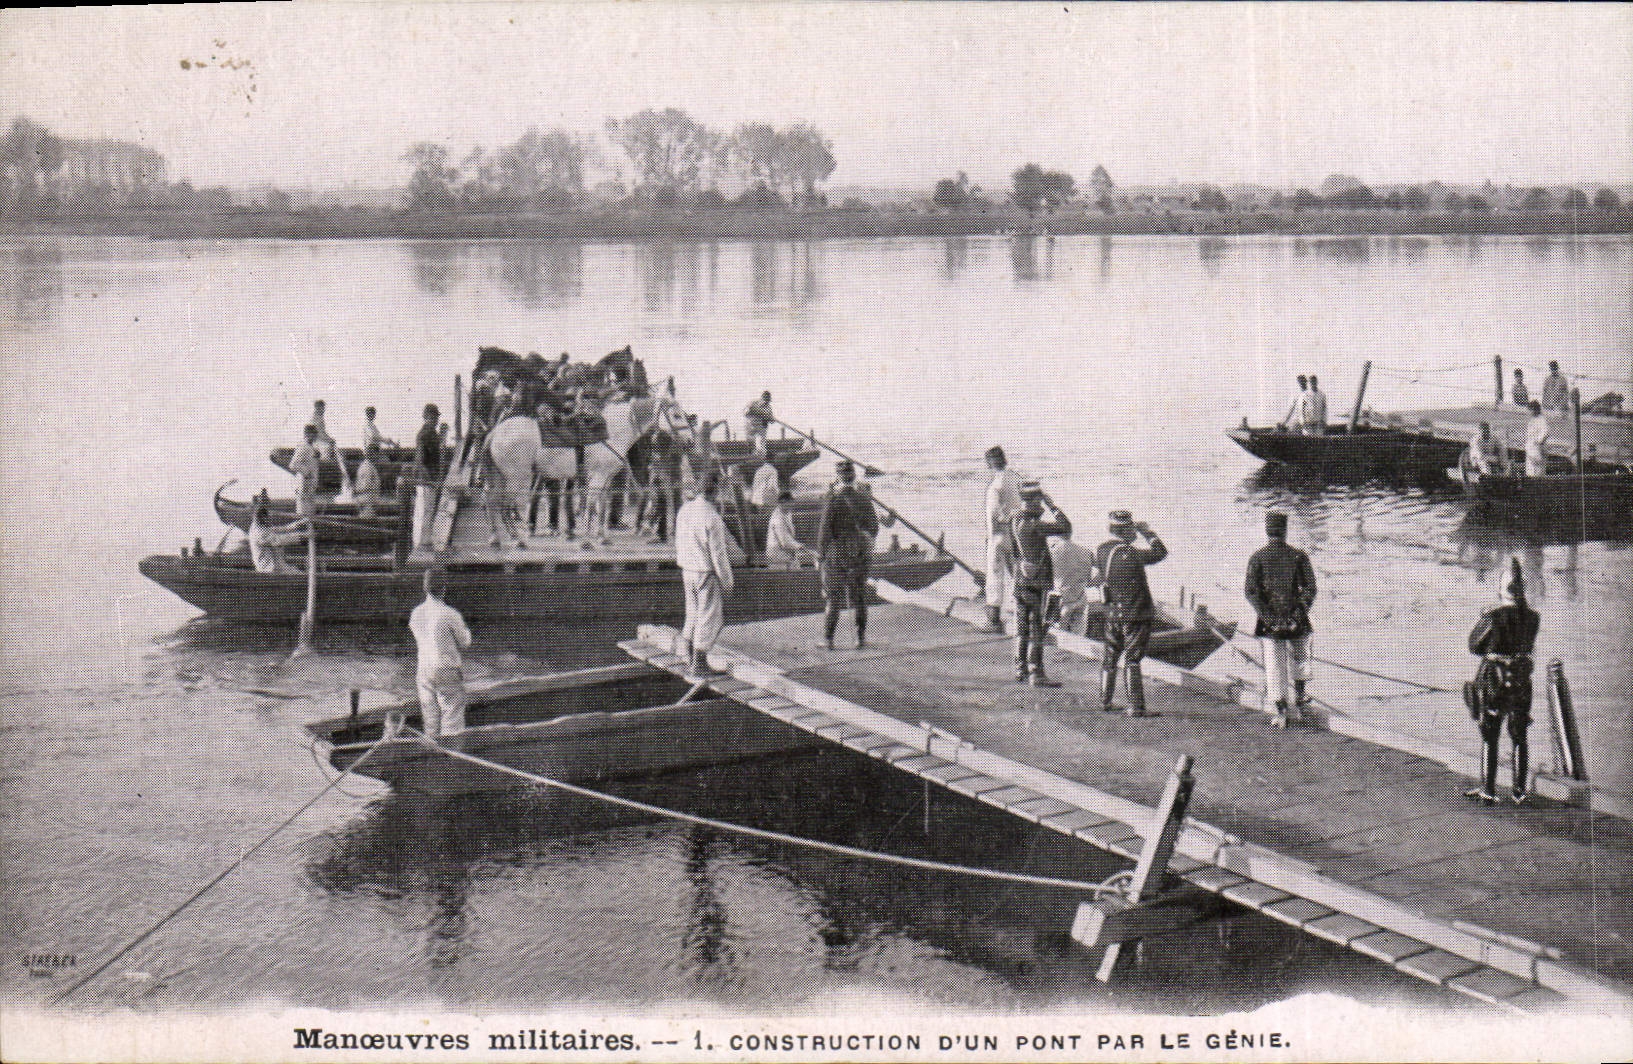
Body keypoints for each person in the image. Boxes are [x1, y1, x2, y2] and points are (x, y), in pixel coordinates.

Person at [1463, 558, 1540, 805]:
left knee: (1490, 733)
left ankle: (1489, 789)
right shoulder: (1533, 617)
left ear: (1502, 589)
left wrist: (1484, 618)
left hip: (1494, 681)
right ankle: (1519, 791)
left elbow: (1474, 645)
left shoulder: (1494, 617)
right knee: (1519, 735)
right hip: (1521, 681)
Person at [1245, 510, 1318, 728]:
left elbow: (1251, 592)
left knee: (1273, 665)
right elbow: (1310, 589)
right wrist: (1296, 615)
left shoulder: (1257, 558)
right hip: (1297, 621)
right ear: (1285, 532)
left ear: (1267, 532)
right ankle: (1301, 697)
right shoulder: (1299, 556)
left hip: (1270, 624)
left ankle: (1281, 711)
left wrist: (1270, 618)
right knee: (1301, 657)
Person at [1091, 510, 1168, 715]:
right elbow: (1160, 553)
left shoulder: (1102, 550)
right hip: (1135, 614)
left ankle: (1105, 700)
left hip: (1112, 613)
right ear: (1124, 530)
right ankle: (1135, 706)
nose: (1134, 531)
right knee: (1132, 659)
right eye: (1131, 528)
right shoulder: (1131, 552)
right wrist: (1148, 533)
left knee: (1110, 657)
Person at [1007, 483, 1072, 686]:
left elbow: (1015, 552)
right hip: (1037, 583)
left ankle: (1020, 668)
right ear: (1036, 500)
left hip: (1021, 579)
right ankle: (1036, 672)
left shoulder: (1014, 519)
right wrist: (1053, 506)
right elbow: (1066, 527)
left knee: (1021, 626)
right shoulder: (1036, 524)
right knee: (1037, 627)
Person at [675, 474, 735, 676]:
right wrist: (727, 581)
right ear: (715, 492)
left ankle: (689, 658)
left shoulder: (684, 510)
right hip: (705, 572)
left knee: (691, 612)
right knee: (709, 616)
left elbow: (679, 540)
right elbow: (718, 555)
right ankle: (699, 664)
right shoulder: (712, 518)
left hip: (687, 569)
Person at [817, 459, 880, 650]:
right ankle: (860, 639)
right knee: (859, 597)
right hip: (860, 553)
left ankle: (828, 640)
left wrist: (820, 556)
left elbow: (825, 531)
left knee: (833, 597)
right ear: (854, 476)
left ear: (838, 477)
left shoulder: (833, 498)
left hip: (836, 554)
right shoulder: (864, 498)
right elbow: (874, 528)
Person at [409, 568, 472, 740]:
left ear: (425, 588)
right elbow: (465, 642)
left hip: (424, 669)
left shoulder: (416, 614)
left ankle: (432, 756)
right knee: (452, 717)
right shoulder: (450, 614)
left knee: (430, 720)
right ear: (444, 588)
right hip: (446, 669)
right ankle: (452, 759)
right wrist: (467, 631)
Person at [982, 446, 1023, 633]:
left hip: (999, 534)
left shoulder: (994, 487)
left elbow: (992, 517)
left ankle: (994, 620)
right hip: (1016, 532)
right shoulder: (1015, 478)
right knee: (1017, 573)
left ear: (990, 463)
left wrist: (989, 540)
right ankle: (1022, 615)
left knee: (994, 575)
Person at [247, 499, 309, 574]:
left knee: (301, 574)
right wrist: (303, 536)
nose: (270, 520)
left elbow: (280, 529)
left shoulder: (258, 526)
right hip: (270, 570)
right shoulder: (259, 533)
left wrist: (300, 523)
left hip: (277, 566)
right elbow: (278, 539)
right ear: (263, 517)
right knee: (302, 577)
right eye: (268, 518)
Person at [413, 403, 444, 551]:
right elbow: (420, 460)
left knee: (429, 509)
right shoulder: (425, 434)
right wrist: (430, 480)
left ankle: (426, 539)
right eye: (433, 417)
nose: (435, 420)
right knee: (427, 509)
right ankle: (424, 541)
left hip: (431, 478)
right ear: (427, 417)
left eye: (436, 417)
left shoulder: (432, 433)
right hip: (427, 480)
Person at [765, 489, 807, 570]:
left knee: (798, 568)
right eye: (790, 503)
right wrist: (800, 547)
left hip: (785, 553)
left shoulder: (786, 512)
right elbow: (784, 542)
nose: (792, 506)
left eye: (792, 503)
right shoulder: (777, 518)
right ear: (782, 503)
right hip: (777, 555)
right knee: (795, 572)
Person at [290, 423, 323, 518]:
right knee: (304, 513)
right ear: (307, 434)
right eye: (313, 434)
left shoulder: (311, 447)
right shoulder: (302, 447)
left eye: (315, 434)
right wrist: (306, 472)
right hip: (304, 485)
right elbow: (293, 464)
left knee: (310, 512)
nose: (315, 436)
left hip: (310, 486)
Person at [354, 442, 383, 518]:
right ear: (372, 453)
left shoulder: (368, 465)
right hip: (367, 501)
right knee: (367, 521)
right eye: (377, 454)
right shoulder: (367, 467)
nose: (378, 456)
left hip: (368, 500)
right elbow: (365, 486)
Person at [1524, 400, 1550, 477]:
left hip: (1537, 450)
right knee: (1530, 473)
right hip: (1530, 450)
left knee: (1538, 474)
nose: (1529, 412)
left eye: (1530, 409)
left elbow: (1545, 433)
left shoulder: (1541, 420)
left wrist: (1538, 442)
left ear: (1535, 409)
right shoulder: (1533, 420)